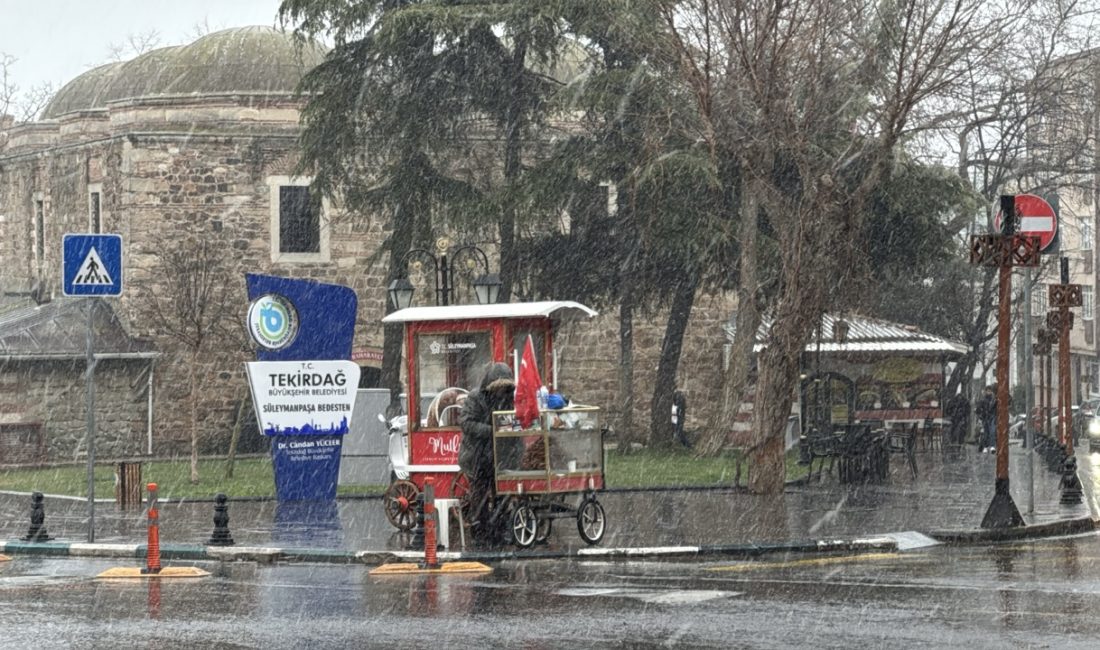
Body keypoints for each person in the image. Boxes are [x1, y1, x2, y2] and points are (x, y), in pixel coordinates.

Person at [458, 362, 515, 544]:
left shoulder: (507, 398)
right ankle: (480, 532)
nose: (501, 391)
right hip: (476, 456)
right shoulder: (475, 398)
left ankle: (499, 530)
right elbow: (466, 423)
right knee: (480, 496)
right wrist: (491, 430)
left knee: (501, 494)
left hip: (498, 456)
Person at [976, 385, 997, 454]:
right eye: (988, 391)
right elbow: (978, 409)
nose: (989, 392)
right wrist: (981, 415)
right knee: (986, 433)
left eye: (990, 391)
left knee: (992, 432)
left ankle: (992, 446)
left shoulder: (994, 400)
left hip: (992, 417)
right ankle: (985, 446)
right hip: (985, 418)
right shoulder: (983, 400)